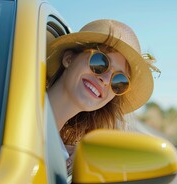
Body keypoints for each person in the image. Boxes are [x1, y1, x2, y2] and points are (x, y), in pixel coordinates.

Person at [45, 19, 159, 168]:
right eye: (100, 62)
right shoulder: (11, 110)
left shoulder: (62, 156)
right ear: (69, 59)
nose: (105, 80)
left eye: (119, 80)